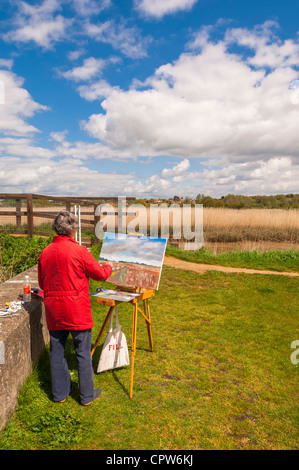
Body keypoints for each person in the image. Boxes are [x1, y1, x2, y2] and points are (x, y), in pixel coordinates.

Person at [38, 210, 113, 406]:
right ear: (72, 230)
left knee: (56, 351)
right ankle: (87, 395)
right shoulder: (79, 251)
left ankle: (59, 394)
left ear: (56, 229)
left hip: (54, 308)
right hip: (76, 309)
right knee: (82, 351)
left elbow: (42, 282)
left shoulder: (45, 253)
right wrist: (109, 267)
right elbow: (99, 274)